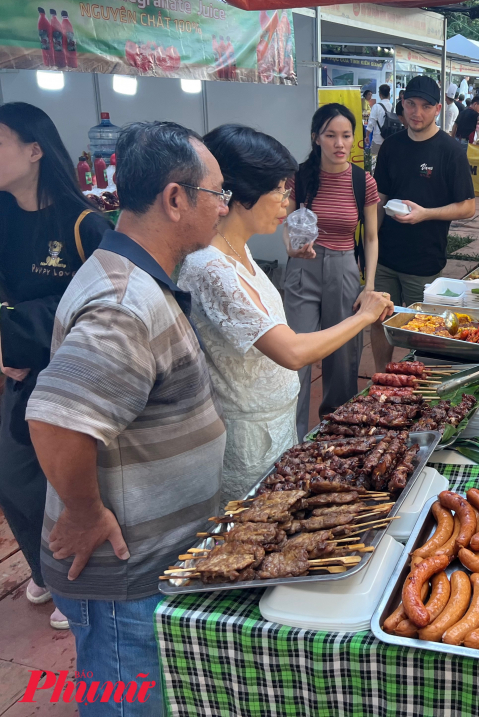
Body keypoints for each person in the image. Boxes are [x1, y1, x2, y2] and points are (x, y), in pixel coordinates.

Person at [25, 121, 230, 715]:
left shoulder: (135, 279)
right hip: (123, 579)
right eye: (217, 193)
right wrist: (86, 514)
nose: (223, 208)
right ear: (175, 198)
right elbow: (58, 419)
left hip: (148, 568)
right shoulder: (123, 302)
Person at [178, 125, 392, 499]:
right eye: (277, 189)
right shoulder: (209, 266)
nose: (285, 200)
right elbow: (291, 352)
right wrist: (362, 317)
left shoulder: (239, 249)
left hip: (274, 426)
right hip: (245, 437)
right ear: (241, 194)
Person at [0, 102, 112, 631]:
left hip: (69, 379)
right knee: (14, 480)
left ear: (35, 150)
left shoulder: (84, 223)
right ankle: (43, 565)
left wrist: (24, 339)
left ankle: (73, 573)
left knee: (67, 482)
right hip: (15, 374)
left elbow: (103, 306)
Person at [279, 104, 392, 441]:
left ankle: (337, 433)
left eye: (345, 135)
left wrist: (368, 284)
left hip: (345, 267)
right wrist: (290, 247)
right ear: (316, 138)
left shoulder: (363, 181)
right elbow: (285, 222)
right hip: (303, 267)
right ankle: (293, 438)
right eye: (330, 135)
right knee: (295, 355)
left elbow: (371, 237)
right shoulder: (299, 176)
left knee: (343, 356)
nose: (339, 143)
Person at [370, 76, 476, 371]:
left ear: (438, 109)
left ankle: (415, 387)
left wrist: (426, 214)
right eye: (411, 104)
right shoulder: (391, 147)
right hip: (386, 257)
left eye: (425, 106)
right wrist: (369, 245)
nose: (417, 112)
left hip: (424, 259)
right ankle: (381, 377)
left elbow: (468, 207)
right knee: (379, 320)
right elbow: (380, 197)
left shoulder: (450, 151)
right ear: (402, 104)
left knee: (423, 329)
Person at [366, 83, 394, 157]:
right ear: (389, 94)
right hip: (390, 140)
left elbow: (371, 123)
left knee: (375, 162)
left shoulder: (376, 106)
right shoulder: (393, 107)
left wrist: (367, 136)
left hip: (378, 139)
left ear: (380, 94)